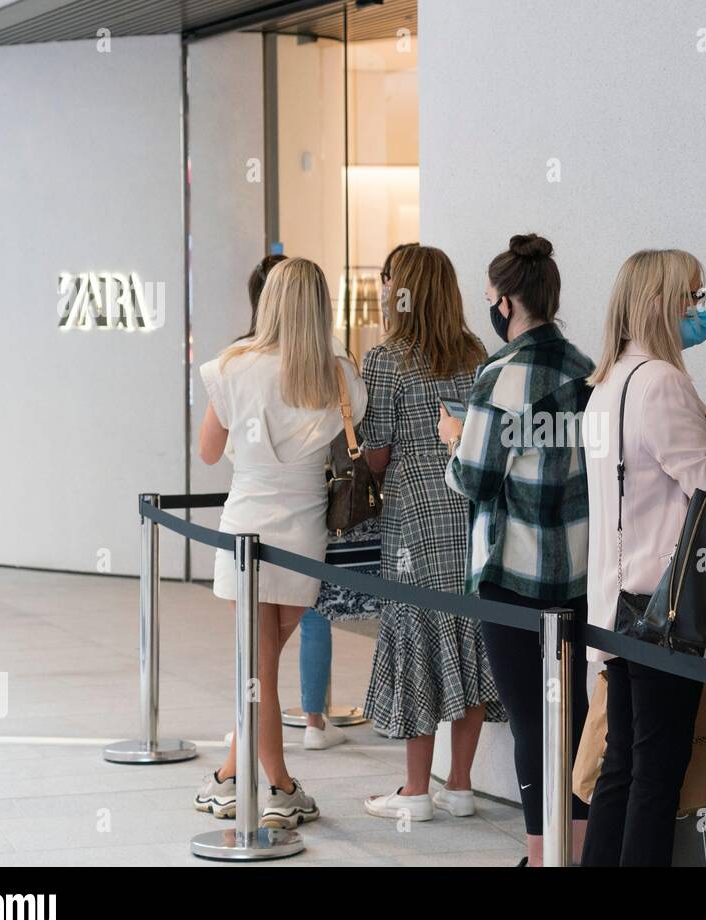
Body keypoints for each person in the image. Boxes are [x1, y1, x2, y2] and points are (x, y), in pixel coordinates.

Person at [440, 233, 595, 866]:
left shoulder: (500, 378)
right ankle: (577, 851)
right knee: (578, 720)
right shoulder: (588, 370)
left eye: (488, 300)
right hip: (581, 574)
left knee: (532, 720)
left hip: (511, 577)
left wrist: (454, 437)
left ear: (506, 302)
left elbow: (473, 478)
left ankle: (540, 854)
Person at [193, 257, 365, 827]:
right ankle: (257, 780)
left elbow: (209, 453)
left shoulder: (232, 366)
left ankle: (261, 783)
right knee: (263, 663)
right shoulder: (339, 372)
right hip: (303, 530)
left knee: (258, 666)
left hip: (245, 523)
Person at [581, 248, 706, 867]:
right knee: (656, 774)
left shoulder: (607, 382)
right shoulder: (662, 383)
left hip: (620, 604)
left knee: (624, 765)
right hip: (664, 609)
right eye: (694, 296)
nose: (703, 308)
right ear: (662, 304)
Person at [360, 244, 506, 822]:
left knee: (417, 642)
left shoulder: (387, 359)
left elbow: (376, 454)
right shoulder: (479, 356)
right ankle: (462, 786)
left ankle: (416, 791)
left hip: (412, 526)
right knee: (468, 639)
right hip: (472, 520)